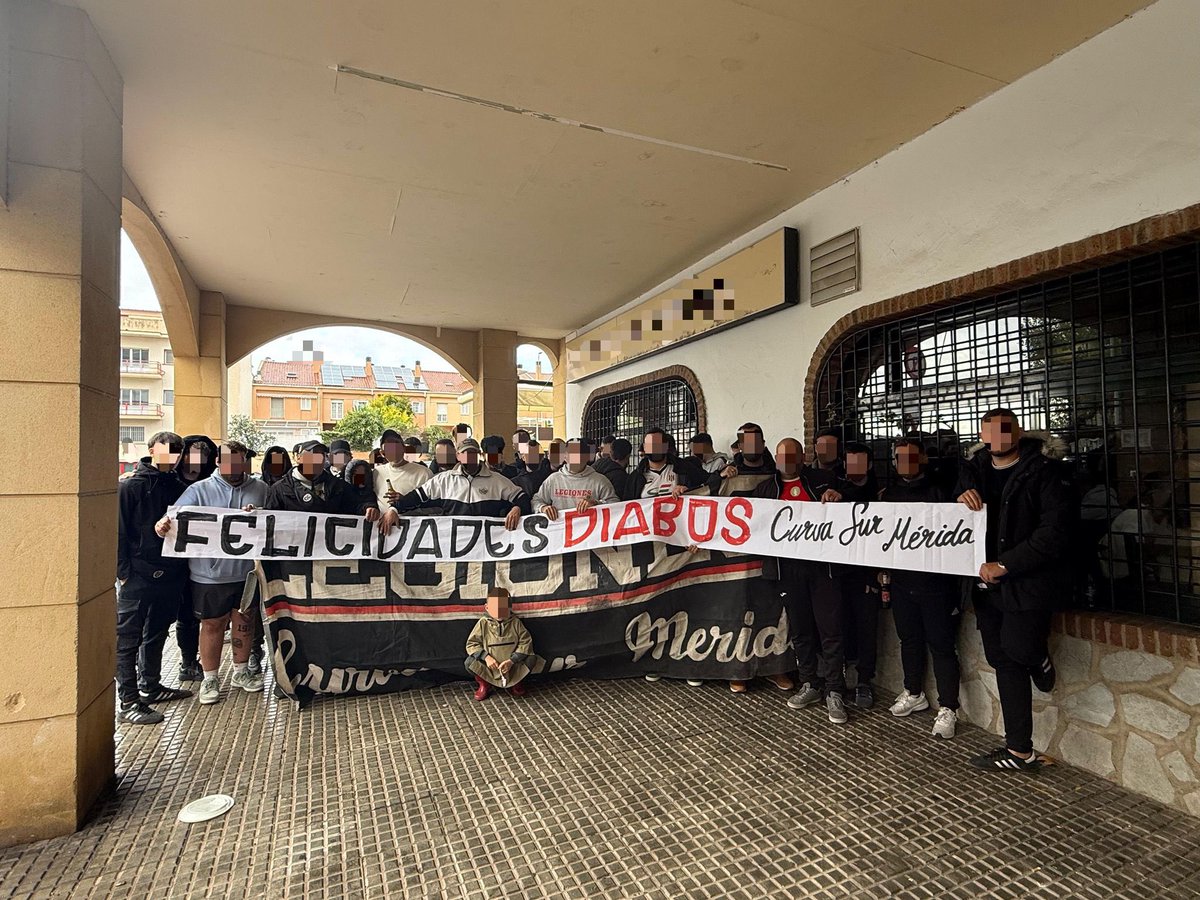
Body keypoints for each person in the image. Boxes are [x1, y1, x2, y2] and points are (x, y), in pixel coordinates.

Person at [956, 409, 1074, 770]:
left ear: (1018, 432)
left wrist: (1006, 565)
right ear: (981, 434)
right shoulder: (972, 470)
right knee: (1003, 660)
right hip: (985, 587)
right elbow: (947, 489)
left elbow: (1054, 533)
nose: (997, 437)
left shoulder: (1046, 472)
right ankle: (1019, 750)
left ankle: (1037, 654)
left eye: (1004, 430)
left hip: (1027, 584)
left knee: (1019, 650)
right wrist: (959, 494)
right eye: (988, 431)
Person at [155, 441, 270, 706]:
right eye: (229, 461)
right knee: (212, 625)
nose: (235, 466)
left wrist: (259, 515)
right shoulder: (199, 490)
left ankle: (242, 672)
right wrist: (163, 525)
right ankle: (211, 678)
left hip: (247, 574)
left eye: (240, 461)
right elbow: (174, 518)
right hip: (209, 575)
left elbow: (275, 520)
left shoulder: (261, 489)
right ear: (218, 462)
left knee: (245, 622)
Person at [754, 438, 848, 723]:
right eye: (781, 456)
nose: (786, 461)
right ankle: (810, 683)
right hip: (787, 571)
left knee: (830, 629)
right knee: (801, 630)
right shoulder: (766, 489)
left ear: (803, 457)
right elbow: (750, 522)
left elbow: (853, 508)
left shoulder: (825, 480)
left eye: (792, 455)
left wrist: (839, 496)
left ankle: (835, 690)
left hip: (822, 569)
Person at [882, 439, 962, 739]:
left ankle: (949, 707)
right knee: (909, 640)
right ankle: (914, 692)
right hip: (903, 583)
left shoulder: (943, 491)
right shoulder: (888, 494)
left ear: (923, 458)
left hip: (937, 585)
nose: (904, 462)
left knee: (942, 646)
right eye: (898, 457)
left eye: (910, 457)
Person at [116, 431, 193, 725]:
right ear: (151, 450)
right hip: (137, 575)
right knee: (128, 638)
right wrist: (124, 574)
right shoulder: (130, 487)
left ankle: (150, 686)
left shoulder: (179, 487)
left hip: (170, 573)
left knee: (158, 632)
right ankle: (128, 700)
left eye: (177, 451)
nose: (172, 456)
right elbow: (119, 532)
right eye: (167, 450)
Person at [380, 437, 529, 532]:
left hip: (487, 547)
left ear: (480, 455)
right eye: (465, 453)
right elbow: (416, 497)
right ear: (458, 456)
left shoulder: (497, 480)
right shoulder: (443, 480)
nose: (469, 457)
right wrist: (394, 509)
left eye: (473, 453)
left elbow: (522, 498)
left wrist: (517, 508)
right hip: (453, 547)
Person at [167, 433, 218, 682]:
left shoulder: (213, 485)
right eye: (193, 454)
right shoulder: (170, 483)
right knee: (184, 614)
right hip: (175, 562)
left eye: (204, 455)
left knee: (209, 617)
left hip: (208, 563)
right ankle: (188, 661)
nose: (198, 459)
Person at [838, 441, 882, 707]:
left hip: (868, 576)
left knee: (868, 630)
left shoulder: (881, 494)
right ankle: (840, 681)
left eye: (859, 462)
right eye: (850, 461)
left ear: (869, 465)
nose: (854, 467)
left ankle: (865, 682)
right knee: (840, 628)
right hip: (840, 574)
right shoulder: (836, 493)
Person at [264, 440, 374, 517]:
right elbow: (267, 520)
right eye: (312, 455)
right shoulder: (278, 490)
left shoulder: (338, 487)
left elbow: (355, 506)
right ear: (299, 458)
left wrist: (368, 508)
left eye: (321, 455)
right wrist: (252, 513)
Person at [465, 587, 536, 700]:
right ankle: (485, 684)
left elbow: (526, 642)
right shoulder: (483, 623)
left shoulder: (515, 622)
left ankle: (516, 682)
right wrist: (486, 657)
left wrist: (512, 661)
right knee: (469, 662)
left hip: (512, 666)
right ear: (487, 607)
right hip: (491, 666)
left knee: (531, 658)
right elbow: (472, 644)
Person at [534, 439, 618, 517]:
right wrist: (543, 508)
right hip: (561, 530)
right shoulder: (553, 480)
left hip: (590, 531)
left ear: (587, 457)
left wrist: (596, 503)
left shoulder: (600, 481)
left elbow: (616, 505)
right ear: (564, 456)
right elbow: (536, 501)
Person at [621, 428, 707, 501]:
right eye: (650, 445)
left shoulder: (685, 468)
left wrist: (689, 490)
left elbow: (707, 486)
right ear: (645, 447)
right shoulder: (635, 477)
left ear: (666, 446)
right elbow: (627, 508)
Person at [374, 429, 431, 513]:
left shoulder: (424, 473)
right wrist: (370, 507)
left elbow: (434, 506)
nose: (394, 451)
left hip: (413, 525)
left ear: (404, 448)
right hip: (380, 524)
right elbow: (367, 498)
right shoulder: (376, 473)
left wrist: (405, 502)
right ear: (382, 453)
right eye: (389, 448)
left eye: (396, 447)